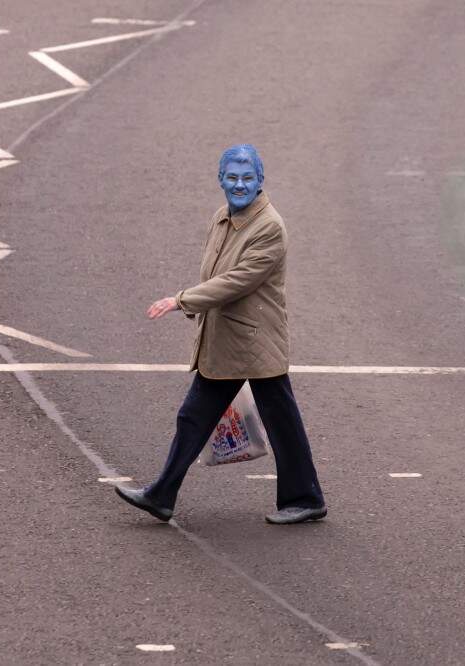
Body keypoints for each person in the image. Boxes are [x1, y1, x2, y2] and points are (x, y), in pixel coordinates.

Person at [115, 144, 327, 525]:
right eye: (232, 177)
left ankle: (305, 498)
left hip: (254, 343)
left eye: (247, 178)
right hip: (228, 340)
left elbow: (236, 281)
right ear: (220, 180)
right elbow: (214, 270)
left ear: (261, 180)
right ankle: (163, 494)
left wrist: (182, 301)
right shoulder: (222, 217)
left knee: (278, 423)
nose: (239, 185)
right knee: (197, 417)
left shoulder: (269, 228)